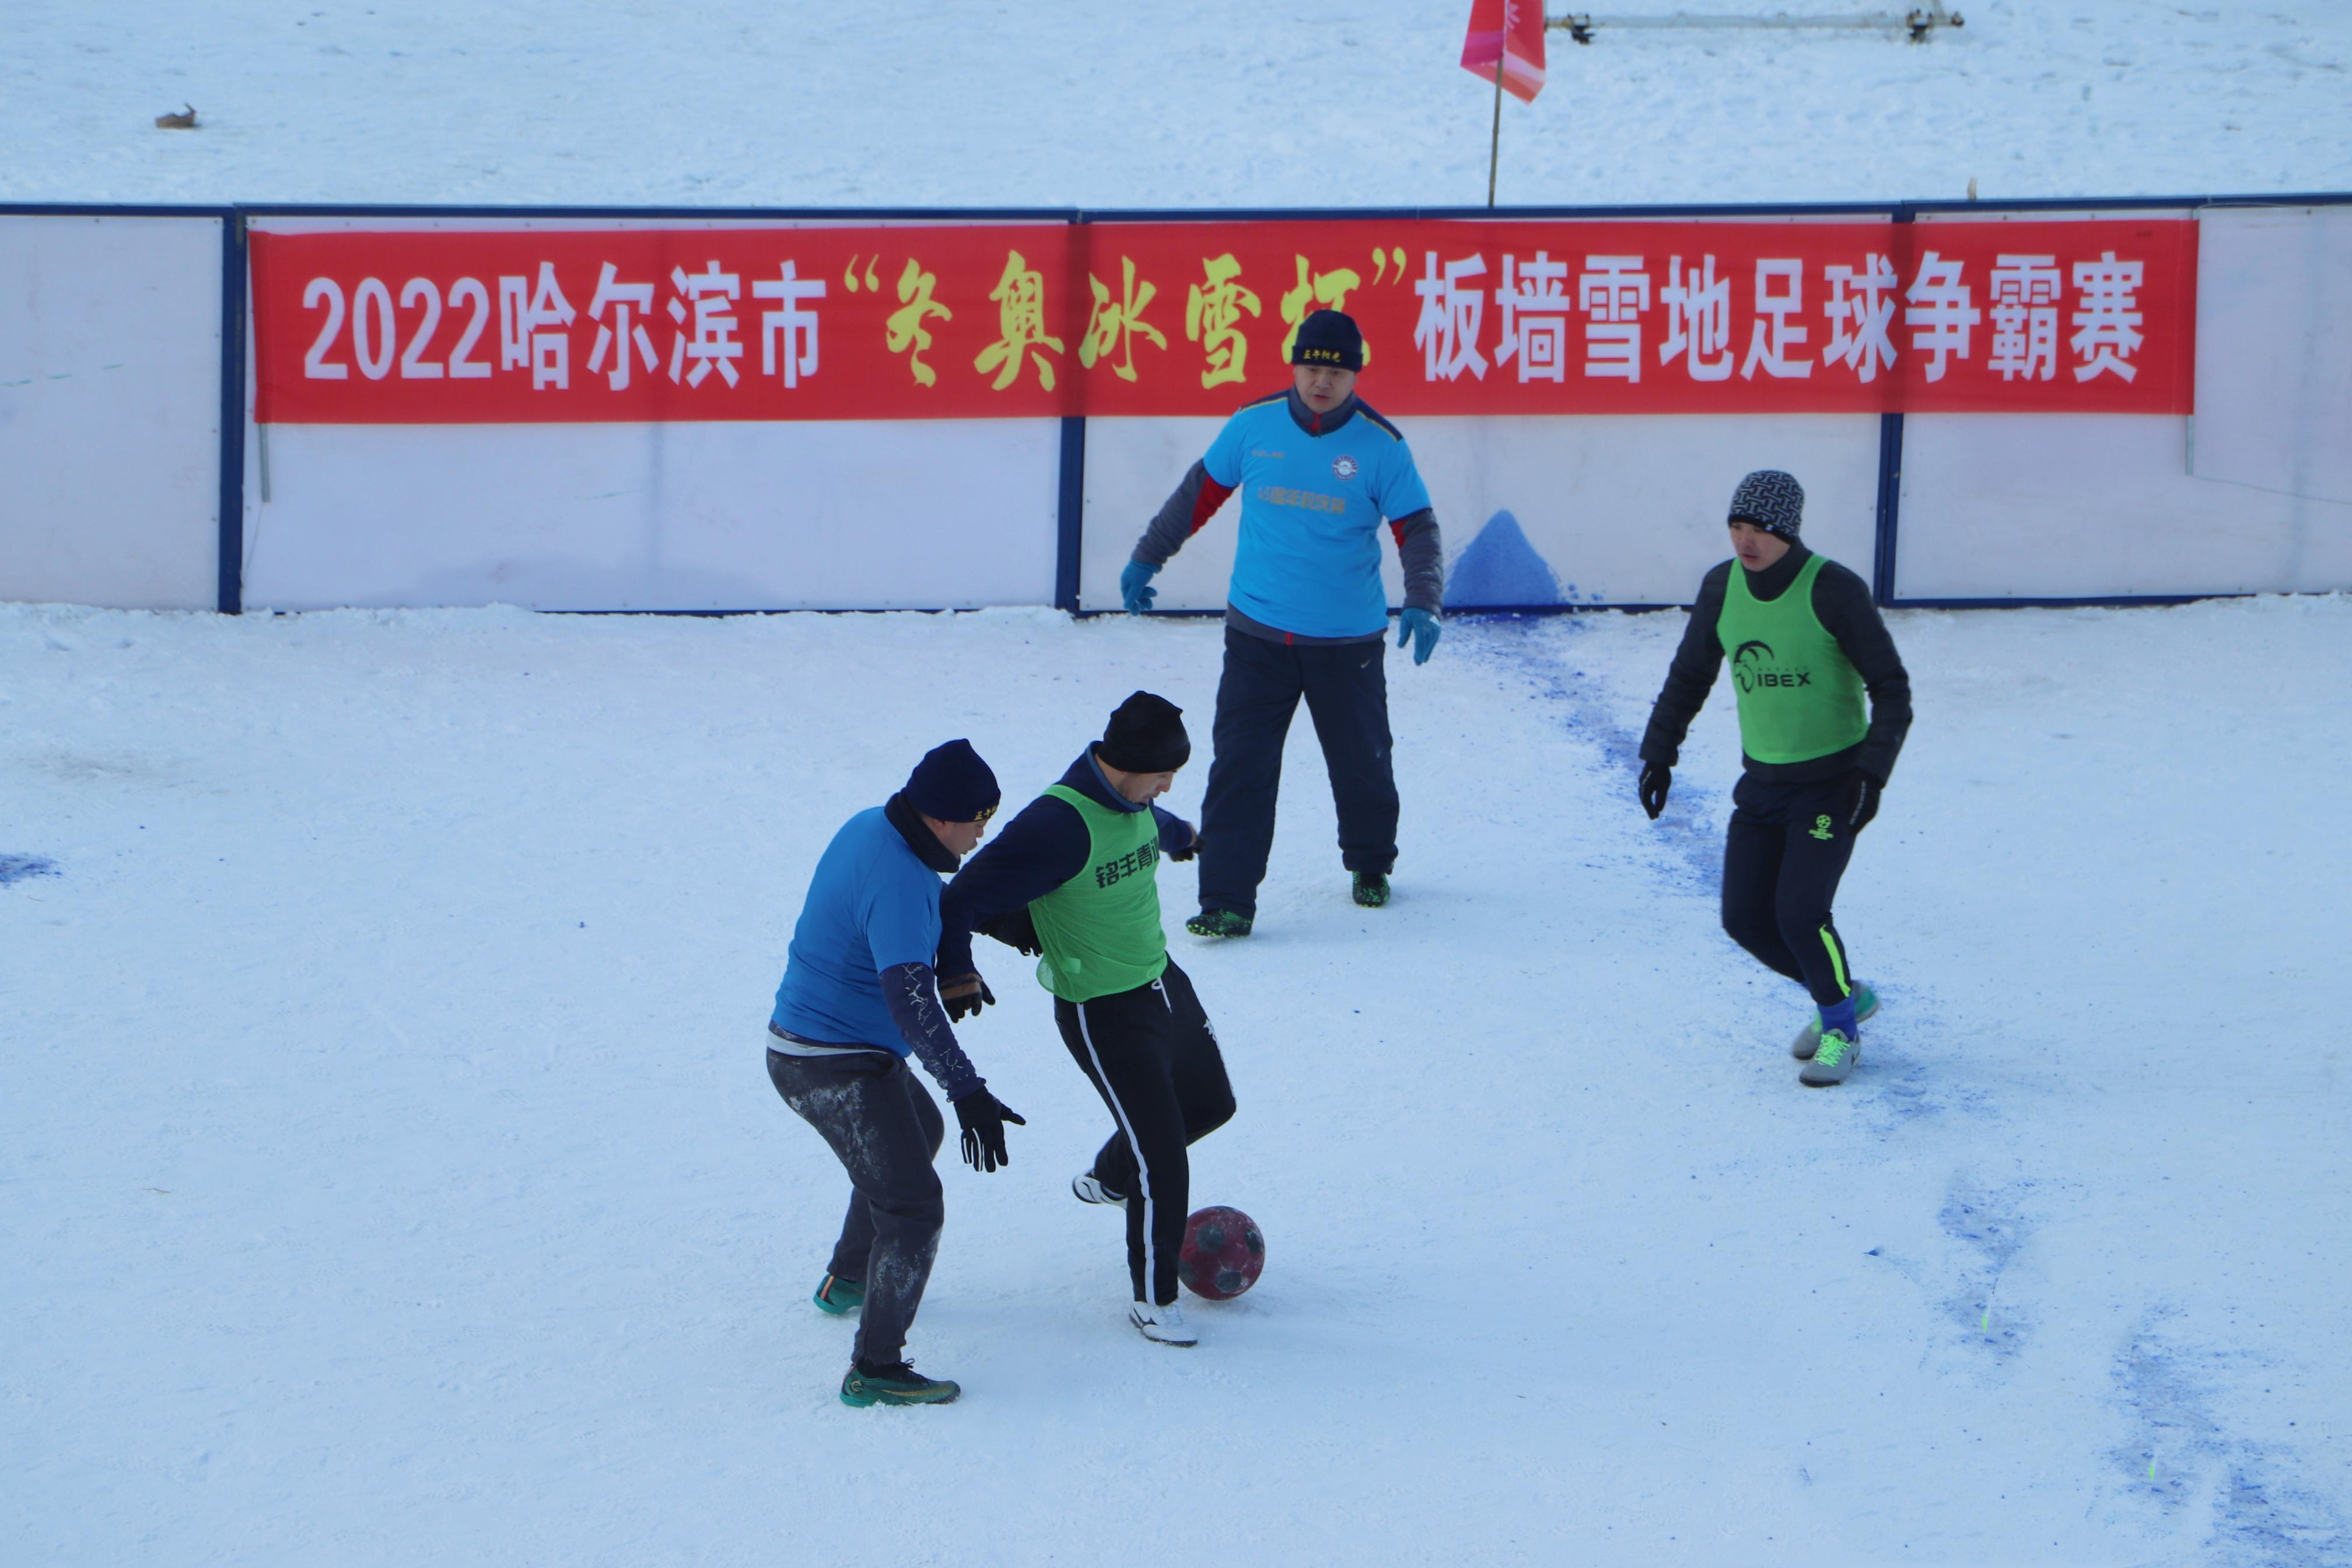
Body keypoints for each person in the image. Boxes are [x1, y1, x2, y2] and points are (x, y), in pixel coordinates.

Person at [1119, 308, 1446, 938]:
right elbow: (1198, 495)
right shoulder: (1253, 427)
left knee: (1362, 761)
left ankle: (1370, 862)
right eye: (1311, 366)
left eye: (1336, 371)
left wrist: (1424, 599)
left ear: (1356, 375)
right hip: (1257, 636)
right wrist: (1146, 556)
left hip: (1345, 641)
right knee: (1240, 766)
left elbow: (1418, 529)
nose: (1322, 381)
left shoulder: (1381, 446)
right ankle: (1225, 899)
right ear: (1294, 364)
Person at [936, 693, 1236, 1347]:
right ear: (1131, 766)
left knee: (1211, 1106)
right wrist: (958, 969)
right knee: (1164, 1161)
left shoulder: (1134, 801)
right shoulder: (1056, 825)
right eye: (1165, 774)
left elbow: (1152, 823)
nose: (1168, 787)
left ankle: (1109, 1176)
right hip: (1104, 1011)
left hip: (1162, 982)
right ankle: (1154, 1302)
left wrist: (1185, 837)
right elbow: (960, 898)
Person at [765, 739, 1027, 1407]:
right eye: (978, 821)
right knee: (914, 1207)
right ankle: (875, 1368)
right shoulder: (903, 879)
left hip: (830, 1045)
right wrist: (970, 1090)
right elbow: (910, 1005)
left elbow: (901, 932)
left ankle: (850, 1279)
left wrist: (956, 961)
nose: (980, 836)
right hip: (828, 1063)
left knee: (919, 1131)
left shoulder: (872, 827)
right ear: (940, 818)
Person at [1635, 471, 1913, 1087]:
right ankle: (1843, 996)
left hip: (1830, 785)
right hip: (1761, 786)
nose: (1746, 541)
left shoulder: (1833, 590)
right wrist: (1660, 754)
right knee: (1745, 919)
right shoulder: (1721, 587)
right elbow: (1690, 676)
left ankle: (1840, 1030)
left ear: (1788, 532)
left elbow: (1892, 690)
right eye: (1737, 527)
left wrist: (1871, 773)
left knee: (1800, 912)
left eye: (1760, 530)